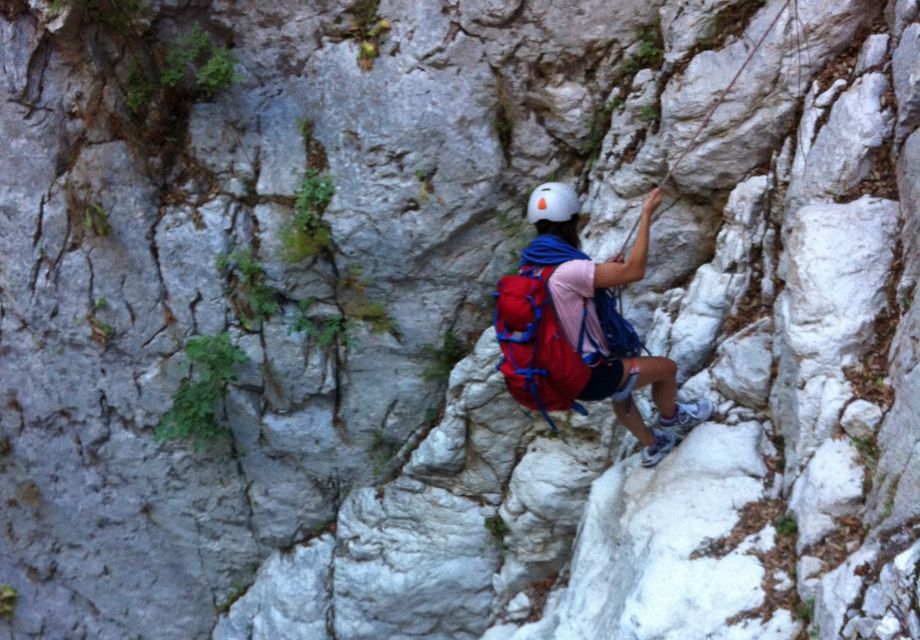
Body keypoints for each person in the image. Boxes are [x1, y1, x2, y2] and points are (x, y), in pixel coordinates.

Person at [521, 182, 713, 467]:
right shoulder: (569, 270)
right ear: (571, 223)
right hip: (591, 373)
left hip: (560, 374)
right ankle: (673, 417)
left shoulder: (530, 269)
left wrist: (602, 272)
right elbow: (634, 271)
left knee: (621, 389)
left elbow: (569, 293)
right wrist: (647, 214)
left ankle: (652, 445)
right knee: (666, 370)